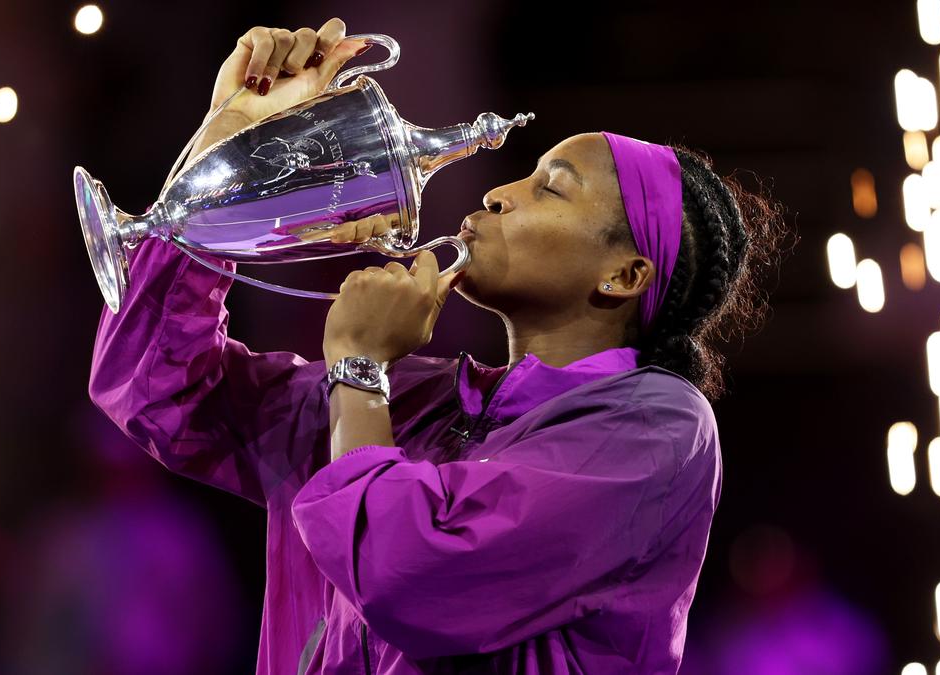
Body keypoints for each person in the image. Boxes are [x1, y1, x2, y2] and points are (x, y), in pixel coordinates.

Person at [87, 17, 789, 675]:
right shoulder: (425, 397)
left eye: (552, 188)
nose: (499, 194)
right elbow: (160, 391)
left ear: (623, 275)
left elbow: (408, 573)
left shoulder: (655, 426)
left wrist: (358, 369)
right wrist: (235, 135)